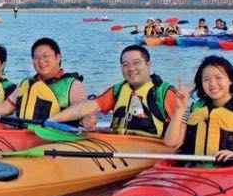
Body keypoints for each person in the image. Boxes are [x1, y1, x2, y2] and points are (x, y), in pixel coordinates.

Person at [50, 45, 178, 138]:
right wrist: (52, 120)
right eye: (125, 65)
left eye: (136, 63)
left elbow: (181, 132)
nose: (131, 69)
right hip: (119, 146)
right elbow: (85, 107)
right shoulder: (118, 90)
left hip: (151, 150)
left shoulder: (164, 93)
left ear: (149, 64)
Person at [164, 55, 233, 161]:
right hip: (194, 170)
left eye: (218, 78)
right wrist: (179, 109)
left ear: (230, 80)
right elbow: (170, 142)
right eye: (206, 79)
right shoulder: (193, 108)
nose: (213, 84)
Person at [0, 37, 87, 122]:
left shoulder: (73, 85)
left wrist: (88, 117)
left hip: (55, 138)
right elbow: (5, 107)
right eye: (36, 57)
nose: (41, 61)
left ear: (58, 58)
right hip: (23, 136)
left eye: (46, 56)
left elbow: (83, 109)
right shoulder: (26, 83)